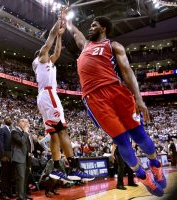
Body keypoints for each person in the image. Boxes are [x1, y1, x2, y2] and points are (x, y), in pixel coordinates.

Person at [66, 14, 166, 196]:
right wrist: (66, 21)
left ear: (103, 28)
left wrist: (139, 99)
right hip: (94, 99)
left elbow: (127, 71)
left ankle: (155, 164)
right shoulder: (85, 46)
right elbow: (75, 33)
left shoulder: (112, 46)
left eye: (94, 25)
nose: (90, 28)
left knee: (139, 134)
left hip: (116, 91)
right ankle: (144, 177)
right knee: (121, 141)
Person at [32, 19, 94, 182]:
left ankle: (57, 169)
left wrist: (60, 37)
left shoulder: (47, 64)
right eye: (45, 52)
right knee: (62, 131)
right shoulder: (40, 58)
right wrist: (60, 22)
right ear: (40, 56)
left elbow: (57, 53)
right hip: (49, 95)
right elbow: (49, 39)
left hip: (43, 98)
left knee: (53, 134)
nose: (47, 53)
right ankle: (73, 168)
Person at [11, 118, 32, 200]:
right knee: (21, 178)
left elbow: (29, 145)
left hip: (27, 157)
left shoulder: (26, 133)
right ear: (18, 123)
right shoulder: (14, 131)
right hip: (19, 158)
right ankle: (20, 197)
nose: (25, 123)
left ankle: (23, 195)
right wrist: (26, 133)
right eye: (23, 121)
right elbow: (21, 142)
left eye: (27, 121)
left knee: (25, 178)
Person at [0, 116, 13, 199]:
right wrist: (3, 155)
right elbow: (0, 143)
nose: (9, 119)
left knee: (10, 175)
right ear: (4, 121)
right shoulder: (2, 129)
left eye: (10, 119)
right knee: (4, 175)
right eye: (7, 118)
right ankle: (3, 194)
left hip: (12, 154)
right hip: (6, 154)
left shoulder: (12, 130)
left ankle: (9, 193)